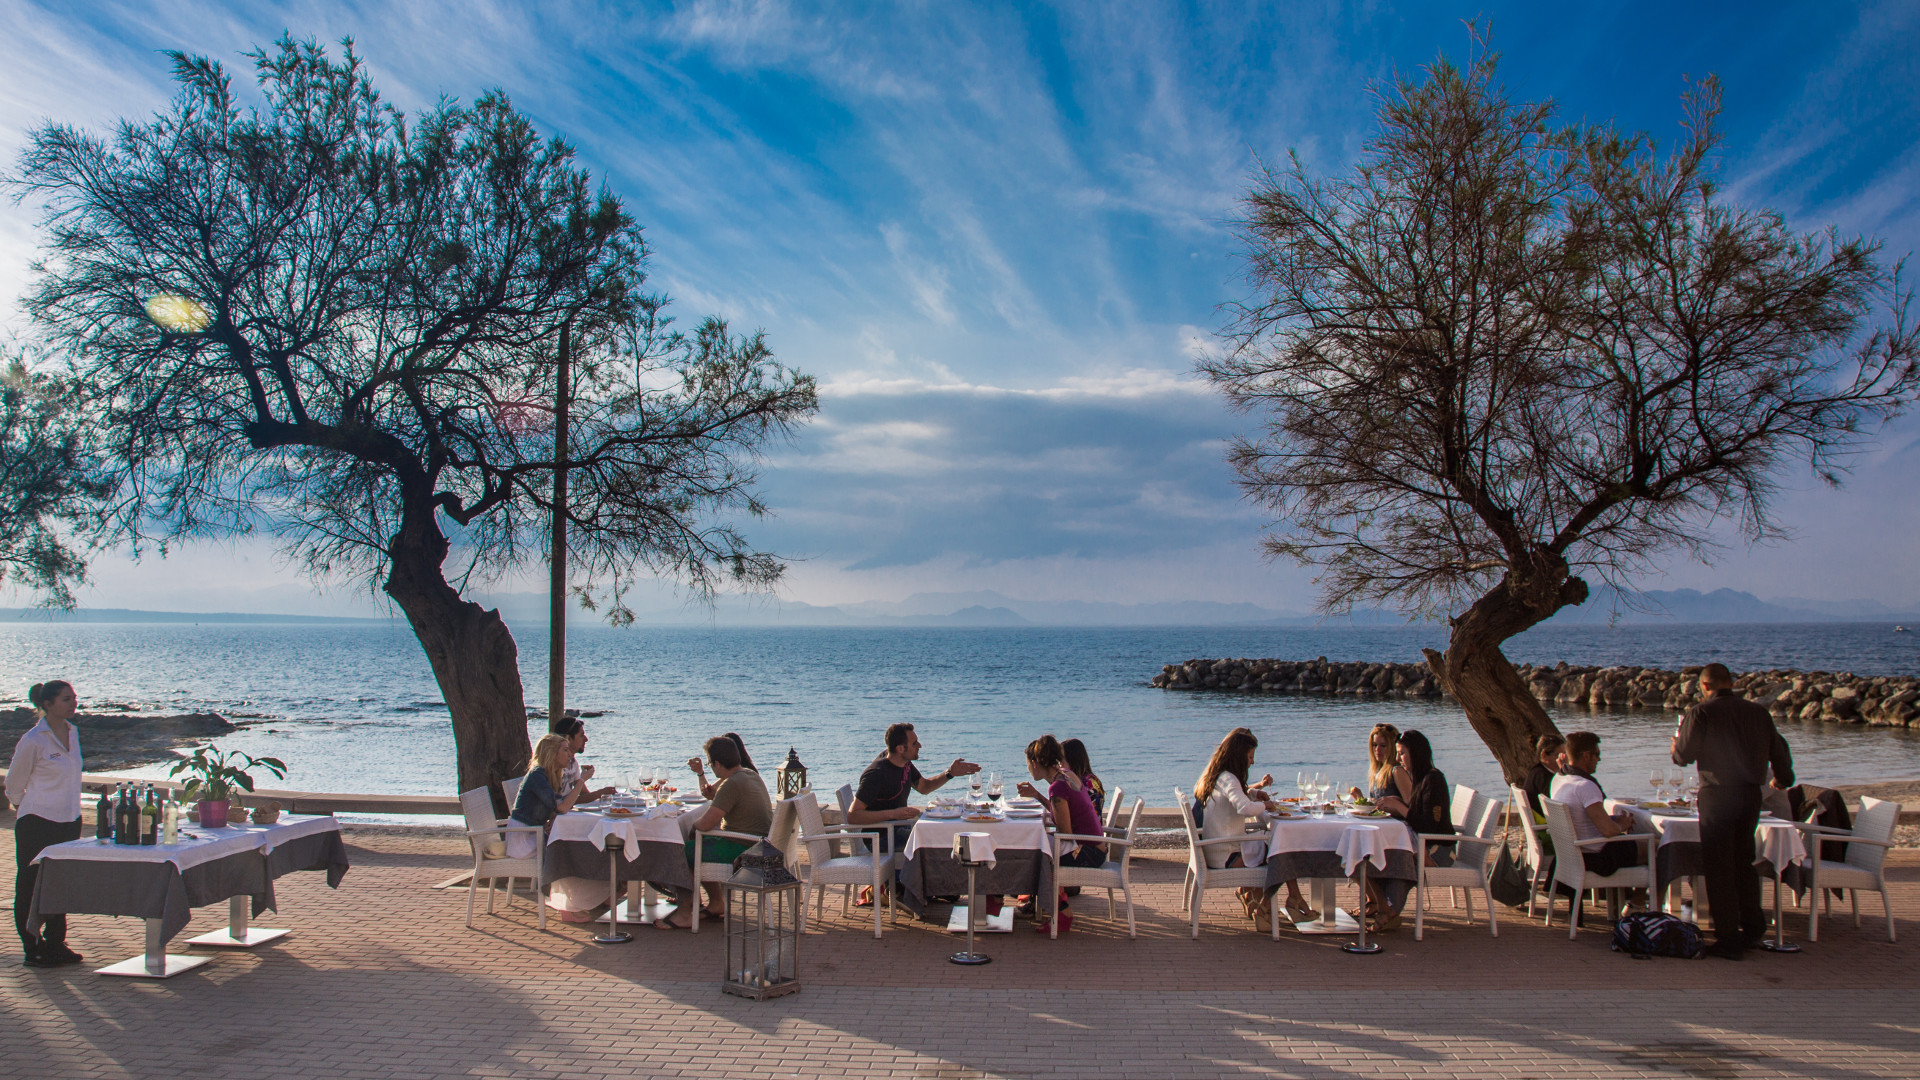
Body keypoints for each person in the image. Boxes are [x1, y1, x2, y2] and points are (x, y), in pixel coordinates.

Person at [1673, 662, 1795, 961]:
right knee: (1743, 861)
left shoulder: (1700, 713)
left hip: (1717, 794)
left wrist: (1676, 745)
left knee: (1718, 865)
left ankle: (1728, 938)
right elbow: (1779, 750)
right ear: (1731, 683)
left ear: (1704, 686)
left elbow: (1683, 757)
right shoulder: (1757, 712)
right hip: (1750, 795)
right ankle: (1752, 928)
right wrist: (1782, 778)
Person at [846, 723, 980, 903]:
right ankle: (903, 890)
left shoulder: (905, 763)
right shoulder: (876, 773)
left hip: (898, 829)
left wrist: (950, 773)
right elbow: (853, 816)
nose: (920, 746)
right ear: (901, 748)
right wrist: (894, 813)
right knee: (930, 841)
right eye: (915, 743)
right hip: (880, 838)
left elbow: (923, 787)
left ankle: (929, 886)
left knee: (938, 836)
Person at [1194, 728, 1312, 926]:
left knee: (1276, 843)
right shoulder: (1228, 778)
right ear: (1239, 756)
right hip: (1226, 855)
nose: (1252, 761)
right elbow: (1243, 807)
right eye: (1250, 756)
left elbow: (1237, 796)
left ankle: (1271, 903)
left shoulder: (1220, 776)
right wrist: (1265, 805)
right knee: (1282, 849)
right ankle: (1282, 903)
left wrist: (1256, 794)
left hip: (1217, 849)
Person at [5, 680, 86, 968]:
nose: (73, 702)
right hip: (37, 823)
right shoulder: (34, 740)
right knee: (29, 885)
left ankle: (55, 943)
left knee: (59, 883)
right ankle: (32, 947)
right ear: (48, 704)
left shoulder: (73, 732)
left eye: (74, 697)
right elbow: (14, 784)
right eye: (66, 699)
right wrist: (24, 806)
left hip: (69, 821)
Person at [663, 735, 773, 929]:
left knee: (681, 851)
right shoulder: (749, 774)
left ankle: (685, 912)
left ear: (717, 764)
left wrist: (692, 828)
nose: (711, 768)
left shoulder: (732, 784)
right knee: (700, 846)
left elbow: (705, 824)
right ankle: (716, 903)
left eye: (710, 764)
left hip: (744, 850)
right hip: (759, 844)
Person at [1017, 735, 1104, 935]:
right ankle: (1048, 906)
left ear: (1035, 763)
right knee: (1039, 849)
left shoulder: (1058, 787)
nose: (1029, 770)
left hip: (1088, 852)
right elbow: (1064, 815)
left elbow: (1065, 833)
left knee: (1037, 855)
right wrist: (1038, 796)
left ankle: (1062, 913)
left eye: (1028, 765)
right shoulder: (1067, 776)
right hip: (1093, 847)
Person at [1368, 729, 1454, 931]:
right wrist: (1396, 803)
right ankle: (1385, 908)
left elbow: (1429, 825)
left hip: (1439, 850)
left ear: (1416, 753)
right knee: (1382, 856)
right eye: (1397, 753)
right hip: (1421, 844)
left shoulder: (1434, 781)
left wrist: (1399, 808)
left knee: (1399, 862)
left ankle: (1388, 911)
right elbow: (1416, 815)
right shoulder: (1419, 778)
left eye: (1402, 753)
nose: (1398, 759)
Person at [1549, 731, 1646, 876]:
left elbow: (1585, 818)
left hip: (1571, 854)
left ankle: (1627, 897)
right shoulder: (1584, 786)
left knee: (1638, 843)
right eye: (1597, 754)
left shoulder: (1558, 779)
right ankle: (1639, 898)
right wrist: (1622, 825)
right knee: (1656, 847)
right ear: (1586, 756)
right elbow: (1609, 831)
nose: (1599, 759)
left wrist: (1613, 820)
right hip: (1595, 856)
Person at [551, 717, 616, 803]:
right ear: (568, 739)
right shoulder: (554, 764)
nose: (586, 739)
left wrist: (604, 794)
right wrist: (600, 793)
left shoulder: (572, 762)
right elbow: (561, 803)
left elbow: (584, 794)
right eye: (581, 735)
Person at [687, 731, 757, 798]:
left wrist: (700, 773)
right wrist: (700, 772)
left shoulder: (737, 775)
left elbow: (710, 795)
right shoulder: (749, 772)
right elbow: (709, 792)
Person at [1349, 723, 1402, 803]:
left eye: (1383, 746)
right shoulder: (1378, 769)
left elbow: (1409, 808)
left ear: (1393, 747)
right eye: (1374, 745)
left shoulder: (1397, 770)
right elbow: (1377, 808)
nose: (1377, 749)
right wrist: (1360, 799)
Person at [1522, 733, 1567, 818]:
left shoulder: (1537, 771)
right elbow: (1559, 800)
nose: (1564, 759)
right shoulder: (1541, 776)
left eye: (1564, 754)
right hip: (1546, 824)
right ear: (1544, 755)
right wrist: (1563, 772)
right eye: (1559, 755)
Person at [1060, 738, 1105, 820]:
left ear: (1072, 759)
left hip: (1084, 832)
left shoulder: (1085, 785)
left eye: (1061, 759)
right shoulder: (1091, 779)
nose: (1060, 764)